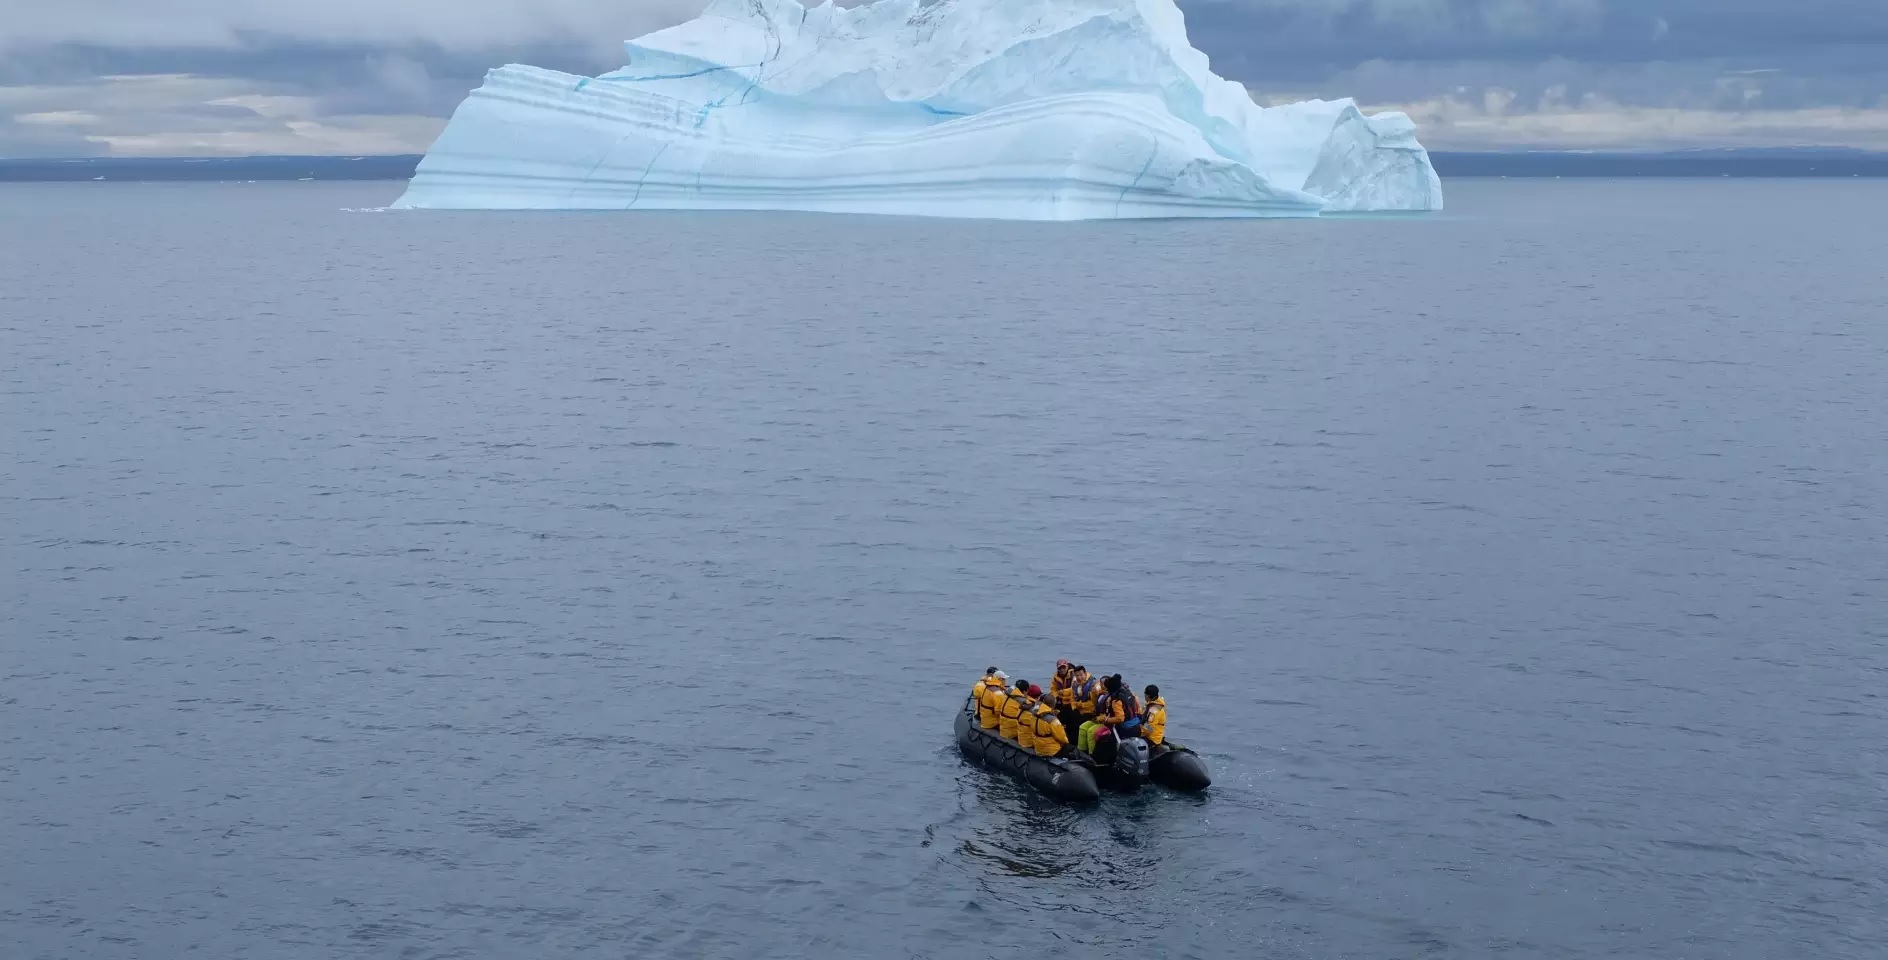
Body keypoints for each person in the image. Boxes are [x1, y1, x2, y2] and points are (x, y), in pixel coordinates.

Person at [1079, 675, 1129, 754]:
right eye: (1101, 684)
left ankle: (1092, 754)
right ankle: (1081, 751)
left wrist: (1104, 719)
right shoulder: (1100, 694)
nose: (1102, 686)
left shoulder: (1114, 698)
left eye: (1104, 684)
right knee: (1083, 727)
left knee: (1091, 731)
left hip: (1110, 723)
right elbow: (1096, 705)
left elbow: (1117, 716)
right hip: (1100, 718)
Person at [1014, 684, 1042, 751]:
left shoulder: (1022, 704)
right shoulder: (1036, 710)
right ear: (1038, 697)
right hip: (1030, 742)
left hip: (1021, 739)